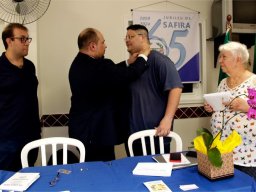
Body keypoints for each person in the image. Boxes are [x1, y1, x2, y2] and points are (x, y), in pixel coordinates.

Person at [68, 28, 149, 162]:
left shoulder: (81, 63)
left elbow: (110, 73)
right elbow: (127, 75)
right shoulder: (96, 67)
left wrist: (128, 62)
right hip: (95, 135)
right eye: (103, 42)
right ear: (93, 46)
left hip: (86, 132)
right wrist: (144, 55)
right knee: (101, 171)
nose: (105, 46)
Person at [124, 24, 183, 156]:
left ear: (143, 38)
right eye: (126, 37)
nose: (127, 40)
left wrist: (168, 119)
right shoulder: (132, 64)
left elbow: (176, 88)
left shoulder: (160, 61)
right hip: (133, 137)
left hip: (156, 135)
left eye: (131, 36)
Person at [204, 41, 256, 179]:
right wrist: (212, 107)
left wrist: (247, 107)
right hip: (223, 153)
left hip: (247, 158)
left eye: (224, 57)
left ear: (238, 59)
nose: (220, 60)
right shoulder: (223, 83)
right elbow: (221, 109)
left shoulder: (253, 82)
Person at [0, 23, 41, 171]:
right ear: (9, 41)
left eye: (27, 39)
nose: (27, 43)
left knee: (29, 176)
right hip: (6, 138)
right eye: (22, 39)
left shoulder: (30, 66)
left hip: (31, 136)